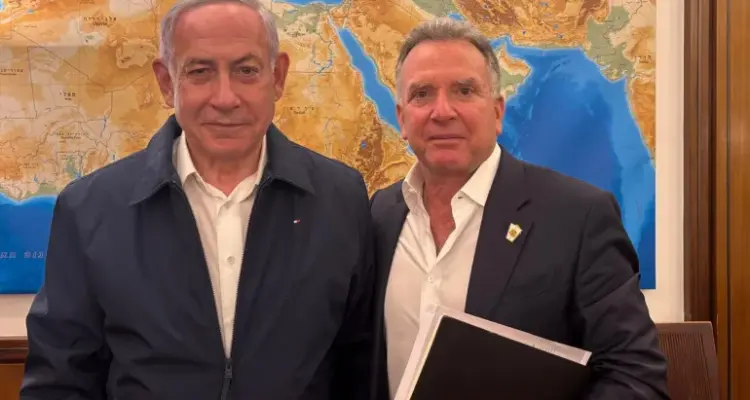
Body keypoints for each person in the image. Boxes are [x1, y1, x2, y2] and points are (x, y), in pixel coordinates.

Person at [20, 0, 374, 398]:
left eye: (246, 70)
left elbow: (359, 368)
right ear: (167, 82)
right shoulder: (90, 209)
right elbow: (61, 381)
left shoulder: (341, 200)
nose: (225, 97)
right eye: (200, 72)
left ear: (277, 77)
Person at [369, 18, 669, 399]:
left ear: (497, 112)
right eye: (422, 94)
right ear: (402, 118)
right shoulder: (380, 214)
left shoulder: (578, 218)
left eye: (464, 90)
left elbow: (636, 377)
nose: (442, 111)